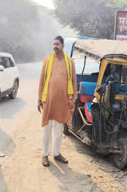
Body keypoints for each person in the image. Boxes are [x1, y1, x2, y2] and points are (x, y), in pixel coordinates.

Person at [38, 36, 77, 167]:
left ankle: (56, 153)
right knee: (47, 129)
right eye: (54, 44)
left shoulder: (70, 62)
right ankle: (45, 154)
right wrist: (39, 99)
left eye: (58, 44)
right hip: (48, 100)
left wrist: (73, 99)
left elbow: (74, 82)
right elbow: (42, 81)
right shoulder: (47, 61)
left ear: (63, 45)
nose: (55, 46)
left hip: (62, 101)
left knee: (59, 129)